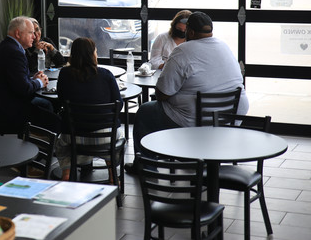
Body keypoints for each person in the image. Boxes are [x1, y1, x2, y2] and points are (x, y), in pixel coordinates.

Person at [125, 11, 249, 173]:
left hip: (197, 120)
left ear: (190, 32)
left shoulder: (183, 50)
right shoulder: (223, 46)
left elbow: (162, 93)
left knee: (145, 111)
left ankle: (147, 166)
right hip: (230, 118)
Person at [54, 37, 124, 181]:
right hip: (105, 137)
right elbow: (119, 103)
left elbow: (61, 101)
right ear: (92, 54)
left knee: (61, 145)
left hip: (73, 136)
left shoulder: (64, 74)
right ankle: (112, 175)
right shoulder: (106, 75)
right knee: (117, 138)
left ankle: (66, 175)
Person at [0, 16, 51, 134]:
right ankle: (43, 148)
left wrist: (32, 79)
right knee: (54, 117)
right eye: (31, 33)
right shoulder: (14, 53)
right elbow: (24, 89)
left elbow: (16, 81)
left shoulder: (7, 47)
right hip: (5, 113)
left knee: (46, 106)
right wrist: (40, 82)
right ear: (18, 34)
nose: (34, 37)